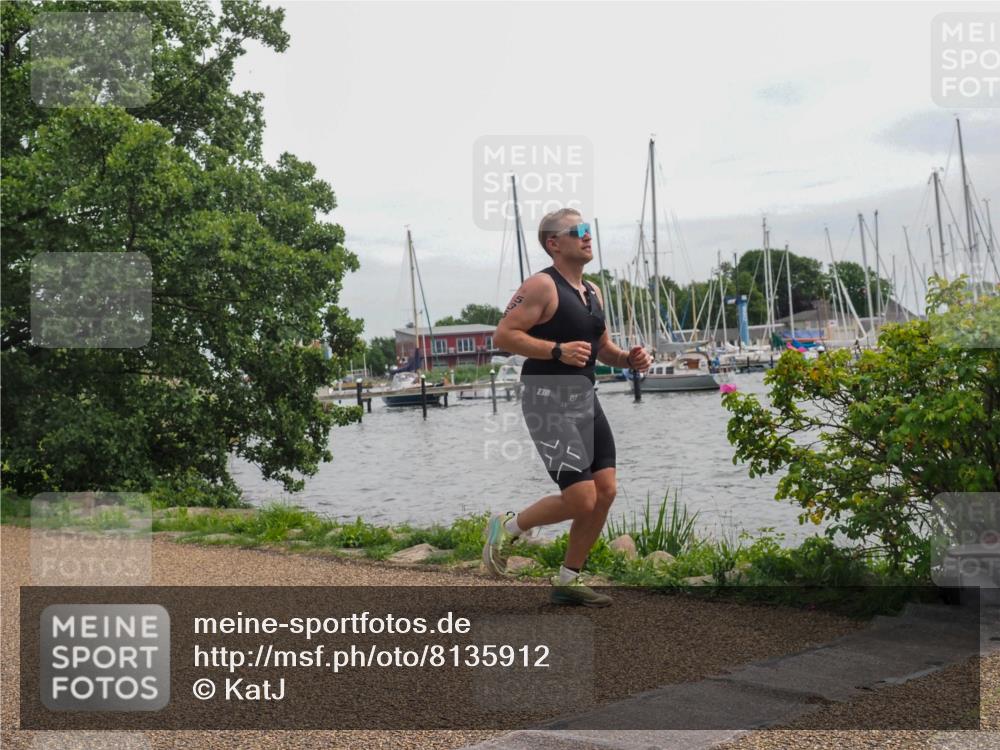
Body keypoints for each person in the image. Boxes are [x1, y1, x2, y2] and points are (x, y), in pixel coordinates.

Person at [483, 208, 652, 607]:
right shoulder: (542, 286)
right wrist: (555, 350)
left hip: (584, 399)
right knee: (581, 498)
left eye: (588, 229)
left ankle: (568, 580)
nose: (587, 236)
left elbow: (602, 348)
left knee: (605, 490)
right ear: (554, 243)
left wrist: (628, 359)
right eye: (578, 231)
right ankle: (509, 526)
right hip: (546, 400)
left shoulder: (592, 290)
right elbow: (503, 336)